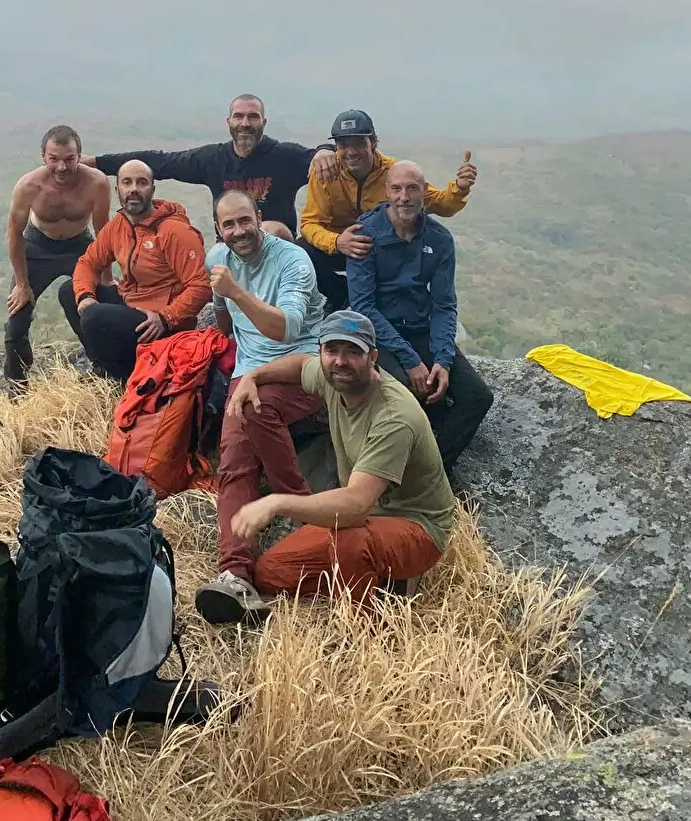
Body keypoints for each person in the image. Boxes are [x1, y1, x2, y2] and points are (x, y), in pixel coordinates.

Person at [205, 310, 456, 619]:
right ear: (321, 352)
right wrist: (254, 377)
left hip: (417, 527)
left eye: (353, 351)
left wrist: (278, 502)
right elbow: (299, 366)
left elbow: (355, 504)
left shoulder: (393, 417)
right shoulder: (332, 379)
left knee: (348, 540)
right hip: (365, 520)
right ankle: (385, 580)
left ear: (372, 357)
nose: (340, 360)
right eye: (332, 350)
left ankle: (363, 632)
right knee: (271, 573)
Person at [194, 189, 326, 624]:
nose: (238, 232)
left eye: (244, 221)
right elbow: (221, 310)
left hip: (300, 365)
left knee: (252, 410)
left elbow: (285, 329)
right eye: (228, 225)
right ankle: (234, 575)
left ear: (259, 218)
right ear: (219, 229)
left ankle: (304, 510)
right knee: (233, 462)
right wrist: (227, 310)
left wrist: (235, 290)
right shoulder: (218, 256)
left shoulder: (292, 261)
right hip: (247, 373)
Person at [346, 160, 493, 475]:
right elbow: (363, 305)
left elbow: (443, 304)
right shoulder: (365, 234)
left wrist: (443, 358)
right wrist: (410, 359)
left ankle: (432, 471)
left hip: (421, 326)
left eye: (412, 188)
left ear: (425, 193)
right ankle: (389, 469)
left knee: (477, 397)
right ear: (386, 192)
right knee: (402, 394)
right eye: (396, 189)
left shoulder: (439, 239)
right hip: (378, 332)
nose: (404, 197)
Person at [299, 109, 477, 312]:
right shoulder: (326, 172)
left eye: (358, 143)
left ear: (373, 143)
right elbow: (310, 223)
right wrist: (337, 242)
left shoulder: (393, 173)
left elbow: (440, 204)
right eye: (343, 144)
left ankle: (390, 303)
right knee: (300, 252)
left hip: (378, 248)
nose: (351, 151)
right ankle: (343, 295)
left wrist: (459, 189)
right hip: (340, 243)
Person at [84, 94, 336, 236]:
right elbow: (160, 161)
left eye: (252, 117)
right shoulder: (214, 159)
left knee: (270, 229)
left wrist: (325, 150)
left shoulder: (284, 156)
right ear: (229, 121)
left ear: (264, 122)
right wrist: (96, 163)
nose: (245, 123)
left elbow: (331, 156)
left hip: (279, 253)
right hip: (230, 249)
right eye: (239, 116)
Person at [58, 160, 211, 382]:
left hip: (160, 323)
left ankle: (128, 380)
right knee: (68, 291)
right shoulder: (120, 224)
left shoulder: (174, 231)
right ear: (117, 189)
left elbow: (201, 285)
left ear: (152, 189)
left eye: (142, 183)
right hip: (132, 303)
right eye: (127, 183)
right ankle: (105, 369)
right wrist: (85, 296)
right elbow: (88, 263)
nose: (134, 190)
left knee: (94, 317)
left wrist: (166, 317)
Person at [4, 124, 112, 386]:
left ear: (79, 156)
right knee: (16, 321)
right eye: (54, 159)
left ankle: (103, 369)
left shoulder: (96, 183)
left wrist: (106, 277)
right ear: (43, 156)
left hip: (79, 246)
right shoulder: (29, 185)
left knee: (93, 309)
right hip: (37, 247)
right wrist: (21, 284)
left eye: (69, 159)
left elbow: (104, 231)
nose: (62, 167)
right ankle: (17, 384)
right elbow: (14, 234)